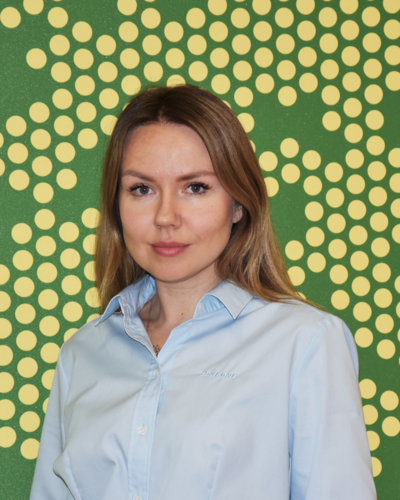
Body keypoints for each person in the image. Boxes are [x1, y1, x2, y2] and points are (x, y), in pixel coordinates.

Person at [30, 84, 377, 500]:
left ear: (238, 203)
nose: (165, 217)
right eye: (142, 189)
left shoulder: (305, 342)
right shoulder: (82, 354)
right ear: (116, 206)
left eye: (195, 187)